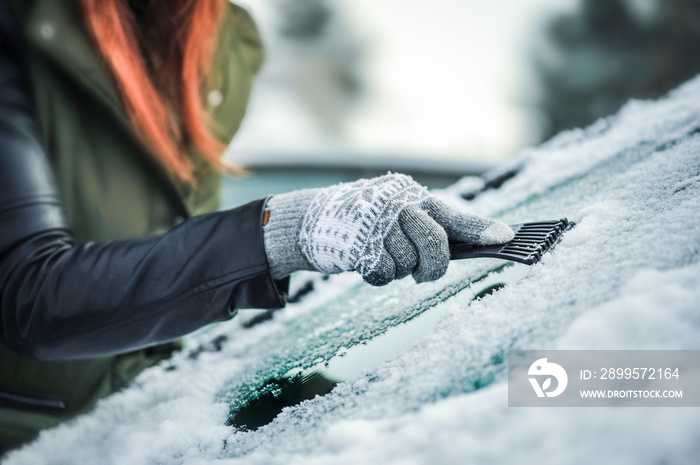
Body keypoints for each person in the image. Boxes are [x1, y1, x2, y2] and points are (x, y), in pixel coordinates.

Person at [0, 0, 514, 452]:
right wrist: (290, 229)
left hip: (148, 428)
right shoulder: (20, 24)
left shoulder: (223, 45)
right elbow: (29, 294)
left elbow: (178, 268)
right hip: (35, 442)